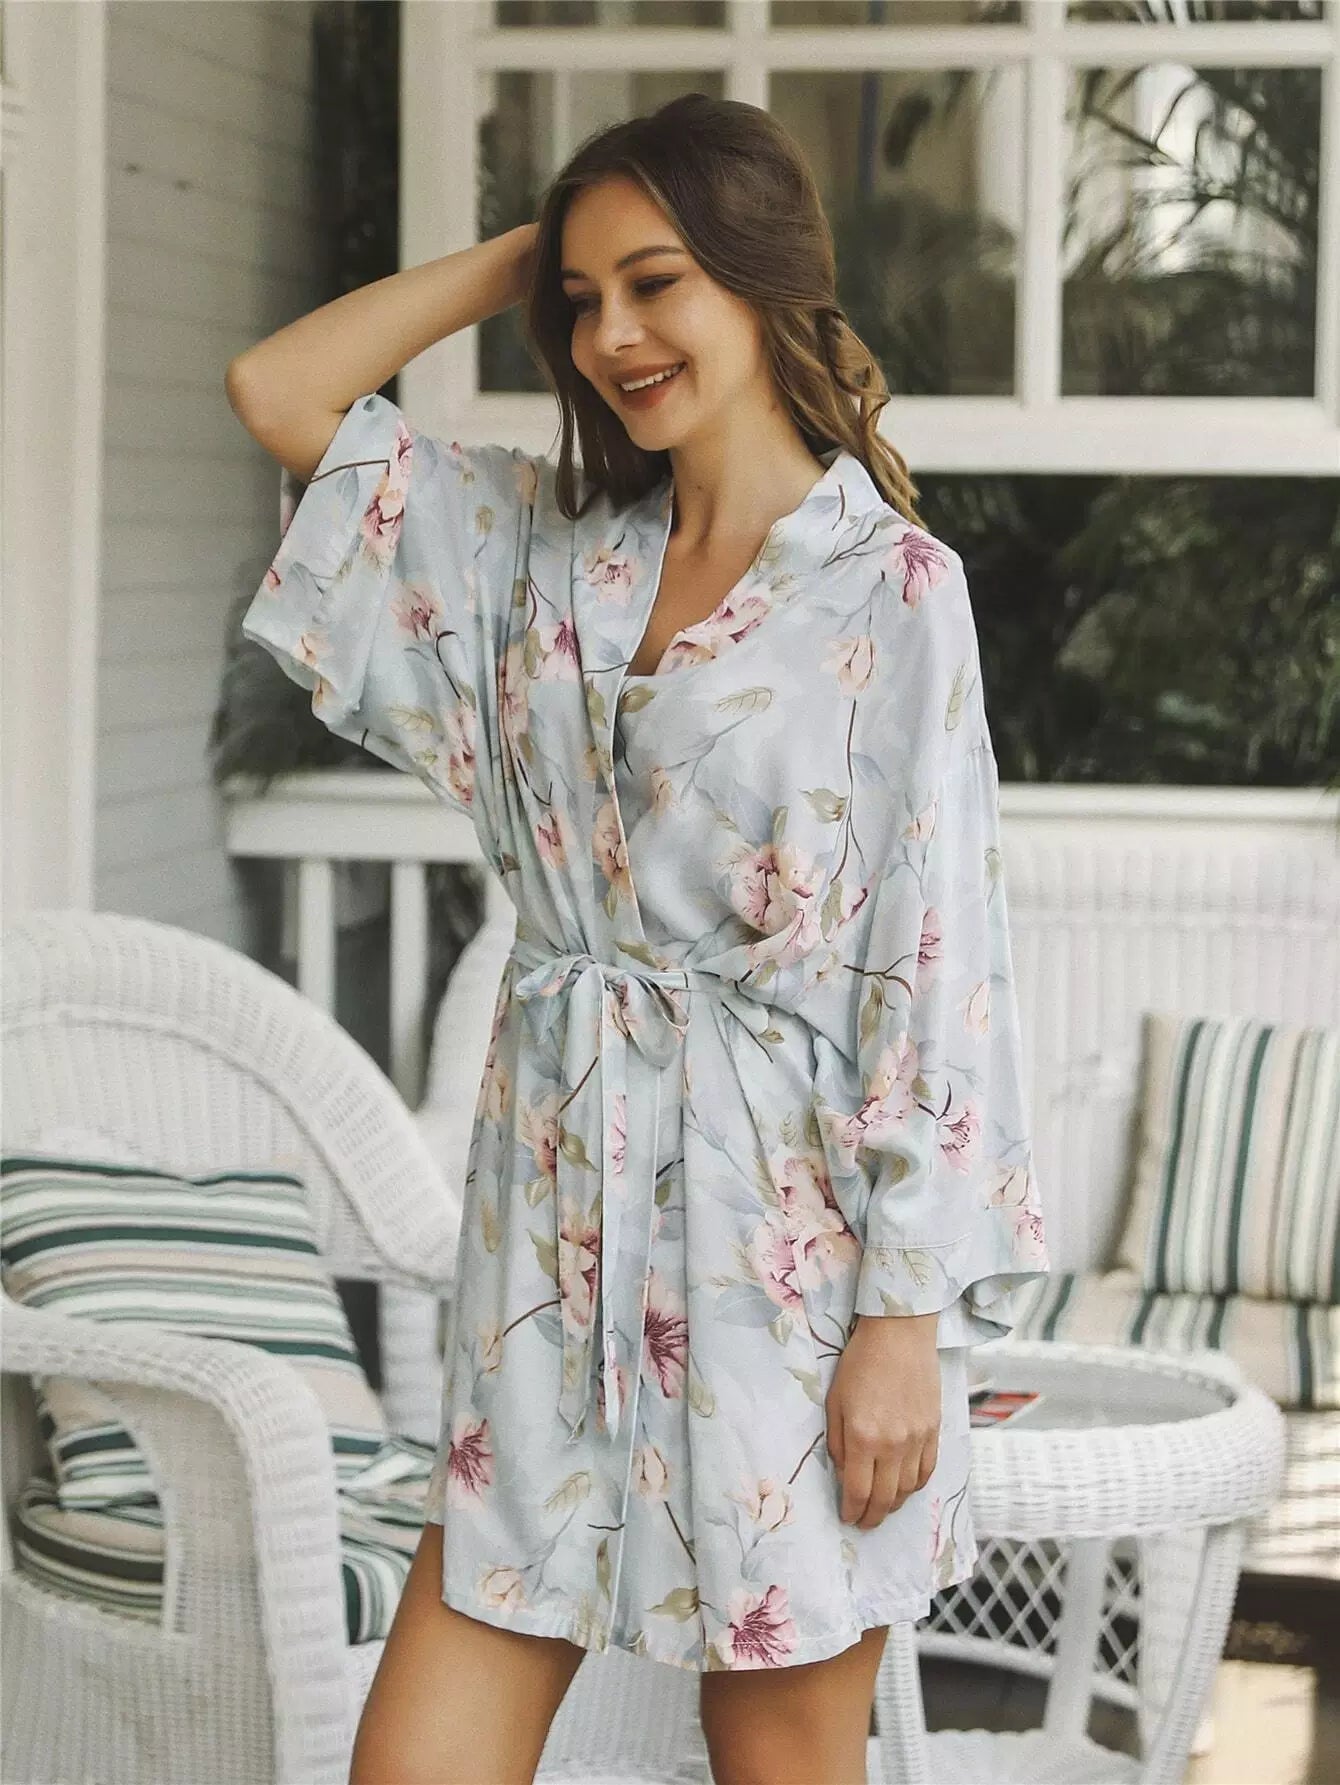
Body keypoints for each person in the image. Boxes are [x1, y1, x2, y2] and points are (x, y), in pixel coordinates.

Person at [227, 92, 1048, 1785]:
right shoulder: (535, 551)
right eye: (583, 302)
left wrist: (905, 1320)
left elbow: (938, 962)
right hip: (551, 1239)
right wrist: (531, 251)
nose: (612, 336)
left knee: (778, 1761)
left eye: (657, 282)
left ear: (761, 279)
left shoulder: (893, 590)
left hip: (788, 1264)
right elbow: (279, 392)